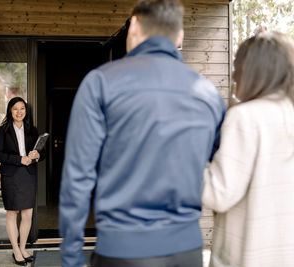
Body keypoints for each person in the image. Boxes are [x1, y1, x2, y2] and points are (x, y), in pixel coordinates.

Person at [59, 0, 226, 266]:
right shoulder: (208, 94)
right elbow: (227, 170)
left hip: (122, 251)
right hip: (188, 252)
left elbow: (78, 178)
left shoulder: (101, 83)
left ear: (134, 25)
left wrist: (71, 257)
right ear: (179, 35)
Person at [202, 31, 294, 267]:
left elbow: (218, 193)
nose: (233, 75)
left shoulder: (245, 117)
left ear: (254, 70)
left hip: (246, 257)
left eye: (237, 66)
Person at [0, 97, 44, 266]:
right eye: (15, 109)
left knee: (28, 214)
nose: (19, 112)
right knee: (12, 213)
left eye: (22, 108)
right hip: (11, 175)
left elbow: (41, 152)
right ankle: (15, 250)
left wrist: (37, 156)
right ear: (10, 111)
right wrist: (19, 159)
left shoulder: (32, 130)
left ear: (26, 111)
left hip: (28, 175)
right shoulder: (2, 130)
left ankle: (23, 248)